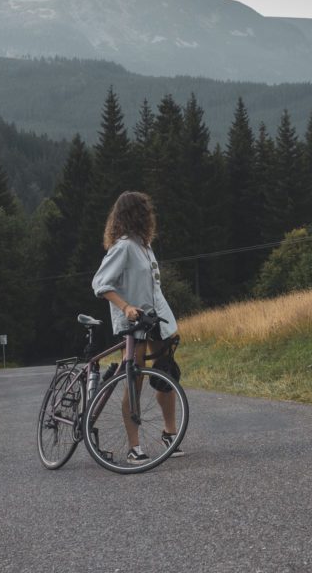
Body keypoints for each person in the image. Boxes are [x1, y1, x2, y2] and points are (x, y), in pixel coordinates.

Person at [91, 190, 182, 463]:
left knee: (167, 373)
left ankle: (170, 432)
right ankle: (134, 447)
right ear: (134, 214)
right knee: (134, 379)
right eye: (144, 210)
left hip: (154, 319)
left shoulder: (144, 245)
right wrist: (126, 307)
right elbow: (100, 283)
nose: (149, 214)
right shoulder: (123, 247)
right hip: (133, 322)